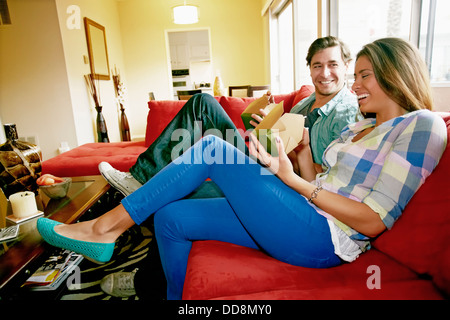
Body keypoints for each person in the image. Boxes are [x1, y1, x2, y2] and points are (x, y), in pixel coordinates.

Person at [37, 38, 447, 300]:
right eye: (355, 75)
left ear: (395, 74)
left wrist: (294, 183)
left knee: (214, 147)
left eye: (363, 76)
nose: (354, 85)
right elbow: (318, 175)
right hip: (305, 209)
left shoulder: (421, 125)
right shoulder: (361, 126)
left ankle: (104, 228)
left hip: (328, 240)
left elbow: (374, 221)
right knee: (172, 217)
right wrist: (293, 157)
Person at [99, 36, 362, 196]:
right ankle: (139, 178)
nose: (324, 73)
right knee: (203, 102)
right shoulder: (303, 106)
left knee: (202, 107)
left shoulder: (348, 112)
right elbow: (285, 150)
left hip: (281, 181)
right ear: (310, 69)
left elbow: (323, 180)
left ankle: (138, 180)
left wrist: (291, 150)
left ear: (346, 66)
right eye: (318, 65)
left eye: (333, 64)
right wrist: (266, 129)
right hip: (265, 162)